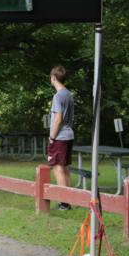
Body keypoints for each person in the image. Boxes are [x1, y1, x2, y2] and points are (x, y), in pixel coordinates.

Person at [48, 66, 74, 211]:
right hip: (69, 135)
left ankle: (64, 204)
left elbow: (58, 119)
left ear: (53, 78)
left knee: (57, 169)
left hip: (60, 137)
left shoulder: (58, 96)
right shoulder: (69, 94)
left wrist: (52, 137)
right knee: (65, 169)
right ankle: (68, 200)